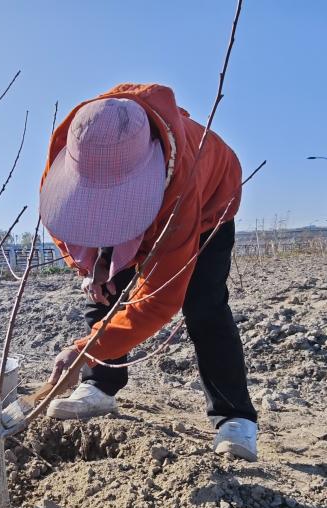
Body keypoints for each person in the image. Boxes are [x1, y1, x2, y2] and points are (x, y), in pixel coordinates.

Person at [38, 83, 259, 461]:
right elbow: (64, 224)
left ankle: (235, 418)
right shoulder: (75, 147)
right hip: (121, 190)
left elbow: (158, 300)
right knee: (103, 290)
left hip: (207, 209)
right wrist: (88, 267)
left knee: (204, 306)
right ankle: (100, 387)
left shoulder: (183, 185)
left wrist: (83, 350)